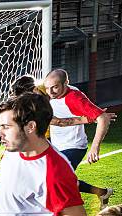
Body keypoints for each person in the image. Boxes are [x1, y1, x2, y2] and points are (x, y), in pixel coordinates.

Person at [43, 69, 115, 208]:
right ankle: (103, 192)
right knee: (59, 179)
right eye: (47, 88)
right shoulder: (55, 93)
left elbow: (103, 118)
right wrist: (89, 117)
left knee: (56, 179)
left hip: (73, 146)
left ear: (66, 83)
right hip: (57, 146)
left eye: (55, 87)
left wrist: (95, 147)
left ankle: (65, 211)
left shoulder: (73, 98)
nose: (50, 92)